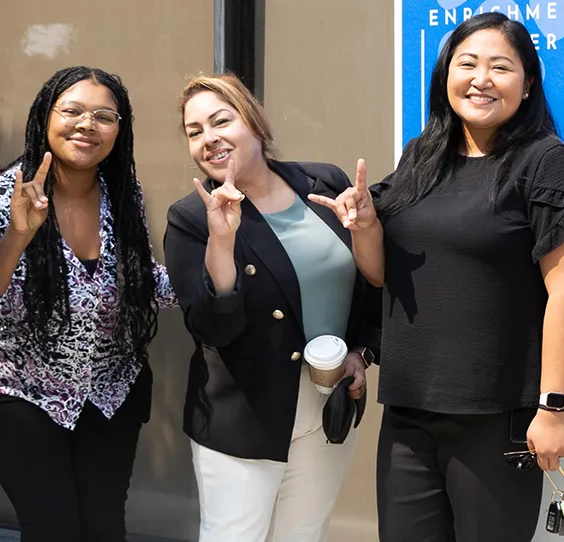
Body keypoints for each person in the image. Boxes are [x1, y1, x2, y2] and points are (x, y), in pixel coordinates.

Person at [370, 12, 564, 542]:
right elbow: (383, 273)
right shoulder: (421, 157)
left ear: (527, 86)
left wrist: (553, 408)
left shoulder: (547, 163)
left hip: (496, 415)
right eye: (467, 64)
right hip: (409, 412)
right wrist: (364, 224)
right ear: (445, 76)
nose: (481, 78)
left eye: (500, 67)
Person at [163, 73, 383, 542]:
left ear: (255, 122)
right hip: (245, 418)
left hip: (328, 405)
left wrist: (360, 353)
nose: (209, 138)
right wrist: (221, 242)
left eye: (221, 120)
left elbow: (367, 284)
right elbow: (210, 329)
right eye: (195, 131)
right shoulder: (190, 217)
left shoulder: (324, 182)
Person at [0, 66, 177, 541]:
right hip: (23, 396)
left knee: (103, 529)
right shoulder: (7, 196)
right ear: (45, 116)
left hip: (109, 393)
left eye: (104, 115)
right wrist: (18, 235)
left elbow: (137, 280)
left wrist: (217, 273)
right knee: (53, 528)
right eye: (73, 111)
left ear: (120, 129)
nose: (87, 124)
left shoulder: (123, 195)